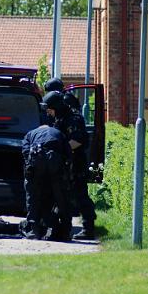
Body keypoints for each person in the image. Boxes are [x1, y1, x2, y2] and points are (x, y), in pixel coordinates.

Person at [46, 90, 97, 240]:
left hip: (76, 164)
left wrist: (61, 150)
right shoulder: (60, 117)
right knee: (62, 195)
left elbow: (77, 140)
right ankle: (61, 227)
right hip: (64, 163)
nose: (49, 113)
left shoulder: (73, 118)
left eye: (51, 109)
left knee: (80, 195)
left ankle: (88, 228)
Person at [21, 122, 72, 242]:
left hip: (37, 161)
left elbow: (25, 151)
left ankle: (34, 230)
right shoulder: (58, 133)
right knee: (61, 197)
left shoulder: (30, 134)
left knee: (33, 196)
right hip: (55, 162)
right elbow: (68, 154)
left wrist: (30, 168)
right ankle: (65, 231)